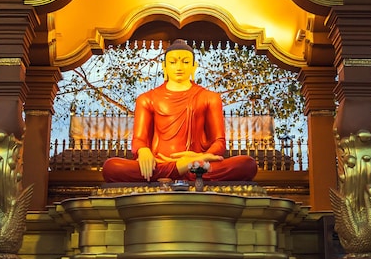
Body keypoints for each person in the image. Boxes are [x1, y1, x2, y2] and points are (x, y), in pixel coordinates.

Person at [101, 39, 258, 183]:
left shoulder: (209, 97)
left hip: (197, 164)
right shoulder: (147, 98)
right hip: (159, 163)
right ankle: (180, 168)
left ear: (193, 66)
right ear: (165, 66)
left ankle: (179, 169)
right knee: (111, 167)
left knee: (248, 164)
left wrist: (200, 157)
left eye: (185, 62)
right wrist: (143, 152)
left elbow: (219, 141)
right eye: (173, 62)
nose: (179, 67)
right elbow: (139, 140)